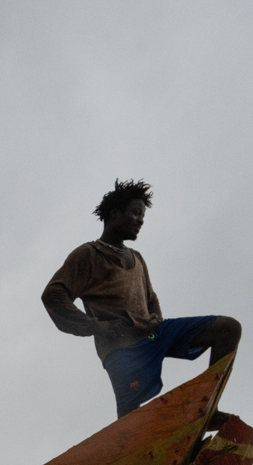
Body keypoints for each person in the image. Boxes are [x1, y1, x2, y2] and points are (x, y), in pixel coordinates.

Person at [42, 179, 242, 420]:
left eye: (143, 215)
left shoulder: (136, 257)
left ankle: (208, 407)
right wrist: (95, 326)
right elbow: (53, 295)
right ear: (115, 214)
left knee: (227, 328)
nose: (141, 220)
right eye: (136, 213)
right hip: (121, 348)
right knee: (130, 422)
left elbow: (150, 297)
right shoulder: (89, 254)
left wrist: (156, 318)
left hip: (152, 334)